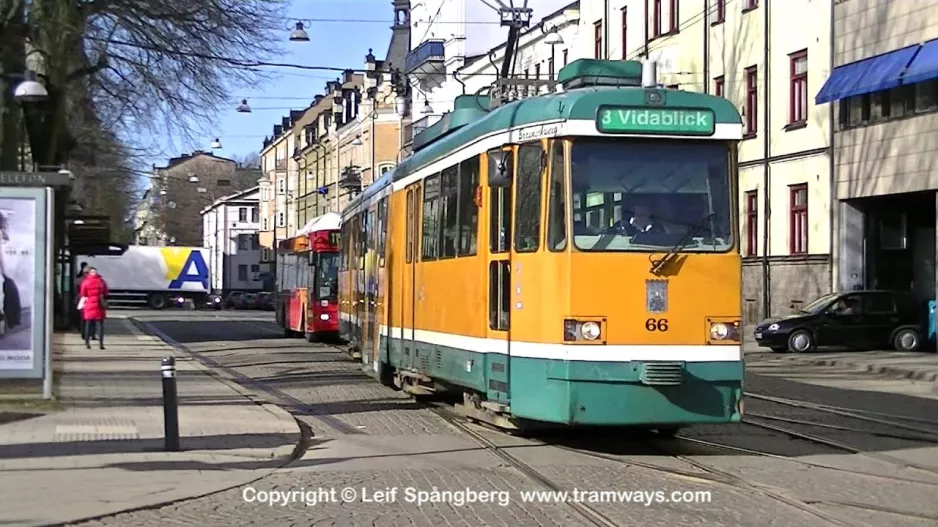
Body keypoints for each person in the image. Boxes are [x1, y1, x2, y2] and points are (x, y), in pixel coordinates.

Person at [78, 267, 109, 349]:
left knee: (88, 323)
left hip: (89, 304)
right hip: (99, 305)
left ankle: (87, 342)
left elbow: (83, 294)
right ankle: (101, 343)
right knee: (100, 324)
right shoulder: (102, 282)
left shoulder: (85, 282)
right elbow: (106, 293)